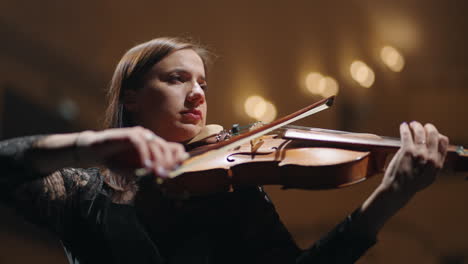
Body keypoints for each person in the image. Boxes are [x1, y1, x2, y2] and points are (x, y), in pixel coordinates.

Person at [0, 37, 449, 264]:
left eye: (203, 83)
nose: (197, 94)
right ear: (130, 97)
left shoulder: (233, 192)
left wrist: (388, 198)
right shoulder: (82, 194)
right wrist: (87, 145)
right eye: (177, 79)